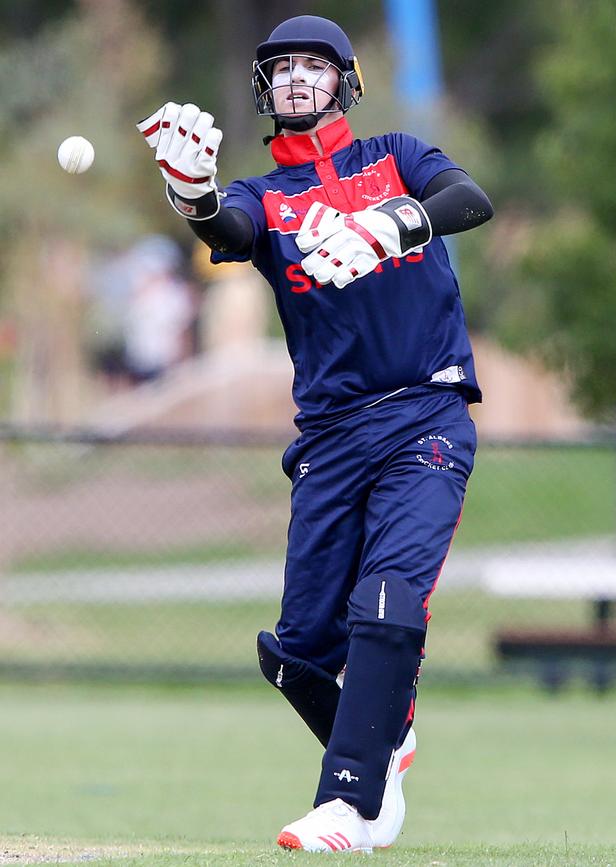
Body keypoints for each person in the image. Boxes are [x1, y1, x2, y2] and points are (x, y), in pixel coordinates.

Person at [138, 14, 493, 853]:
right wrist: (192, 194)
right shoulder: (266, 195)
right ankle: (384, 741)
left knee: (387, 597)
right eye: (281, 67)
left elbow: (469, 200)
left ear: (346, 78)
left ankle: (348, 797)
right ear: (266, 87)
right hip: (331, 438)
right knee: (296, 653)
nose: (296, 78)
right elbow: (226, 231)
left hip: (423, 414)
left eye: (313, 65)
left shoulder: (397, 157)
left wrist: (389, 224)